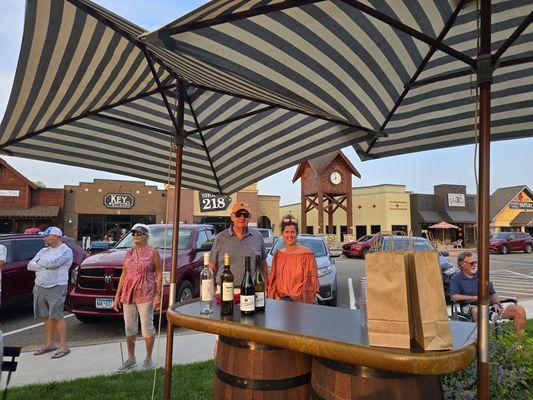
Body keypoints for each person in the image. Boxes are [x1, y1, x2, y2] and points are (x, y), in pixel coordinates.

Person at [113, 224, 162, 371]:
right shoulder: (129, 253)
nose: (135, 235)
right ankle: (131, 358)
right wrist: (117, 296)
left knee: (147, 327)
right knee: (129, 327)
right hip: (128, 294)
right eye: (133, 233)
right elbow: (124, 275)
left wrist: (157, 295)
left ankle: (148, 358)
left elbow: (159, 273)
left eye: (138, 233)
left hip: (146, 293)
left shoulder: (153, 252)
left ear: (146, 235)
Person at [450, 251, 526, 332]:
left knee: (519, 310)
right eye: (472, 263)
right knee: (477, 310)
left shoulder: (481, 275)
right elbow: (454, 296)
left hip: (490, 306)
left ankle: (519, 344)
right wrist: (474, 297)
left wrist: (496, 303)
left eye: (476, 262)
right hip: (470, 307)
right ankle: (483, 339)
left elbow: (493, 293)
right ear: (462, 264)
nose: (475, 265)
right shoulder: (456, 279)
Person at [27, 227, 73, 358]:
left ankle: (63, 346)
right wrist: (44, 264)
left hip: (56, 286)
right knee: (46, 316)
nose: (44, 238)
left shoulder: (66, 251)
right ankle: (50, 344)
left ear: (56, 236)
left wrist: (40, 264)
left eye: (46, 236)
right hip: (40, 286)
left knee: (57, 316)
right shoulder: (43, 250)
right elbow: (29, 265)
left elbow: (55, 263)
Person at [209, 202, 267, 289]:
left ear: (250, 217)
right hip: (225, 290)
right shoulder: (220, 238)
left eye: (245, 214)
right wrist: (212, 288)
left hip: (252, 290)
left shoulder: (257, 237)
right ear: (232, 216)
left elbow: (263, 264)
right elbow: (212, 266)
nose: (242, 217)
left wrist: (265, 285)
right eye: (238, 214)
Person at [267, 215, 319, 303]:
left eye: (293, 232)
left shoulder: (307, 254)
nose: (290, 235)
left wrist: (303, 303)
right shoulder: (278, 255)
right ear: (282, 234)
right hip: (281, 302)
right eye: (287, 232)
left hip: (301, 303)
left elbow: (310, 282)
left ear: (297, 234)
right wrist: (276, 297)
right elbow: (274, 280)